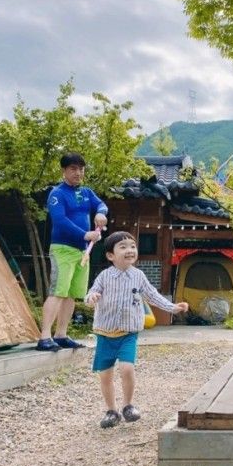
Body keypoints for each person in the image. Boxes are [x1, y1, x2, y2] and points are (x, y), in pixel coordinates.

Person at [85, 231, 189, 428]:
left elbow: (152, 295)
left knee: (127, 368)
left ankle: (128, 406)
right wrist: (91, 298)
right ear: (110, 255)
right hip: (105, 334)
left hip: (128, 333)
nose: (129, 250)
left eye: (132, 246)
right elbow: (92, 292)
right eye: (123, 247)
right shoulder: (104, 276)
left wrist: (173, 307)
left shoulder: (138, 276)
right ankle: (111, 410)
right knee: (105, 374)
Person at [36, 152, 108, 352]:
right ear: (64, 171)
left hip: (81, 252)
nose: (78, 173)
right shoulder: (57, 194)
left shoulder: (86, 192)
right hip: (62, 249)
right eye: (73, 169)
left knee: (71, 295)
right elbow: (59, 221)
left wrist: (101, 212)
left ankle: (61, 335)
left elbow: (101, 204)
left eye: (81, 169)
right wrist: (85, 235)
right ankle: (44, 337)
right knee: (58, 291)